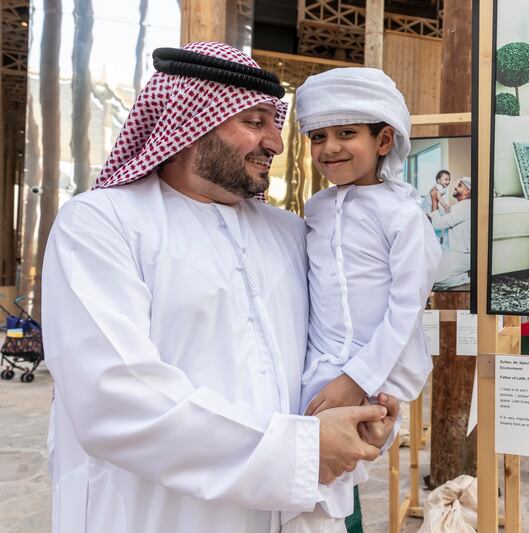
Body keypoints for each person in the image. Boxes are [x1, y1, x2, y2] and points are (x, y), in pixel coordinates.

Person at [41, 42, 399, 533]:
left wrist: (363, 411)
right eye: (254, 123)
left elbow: (341, 343)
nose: (275, 142)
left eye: (275, 124)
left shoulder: (292, 233)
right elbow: (113, 396)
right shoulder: (103, 224)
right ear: (190, 124)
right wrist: (303, 448)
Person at [289, 67, 441, 532]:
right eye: (318, 136)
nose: (329, 148)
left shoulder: (404, 216)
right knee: (306, 484)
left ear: (383, 139)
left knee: (327, 486)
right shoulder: (315, 209)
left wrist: (356, 379)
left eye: (346, 133)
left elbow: (405, 311)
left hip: (377, 372)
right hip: (318, 369)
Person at [430, 176, 471, 289]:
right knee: (426, 271)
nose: (455, 187)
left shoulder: (465, 206)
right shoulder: (459, 207)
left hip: (461, 254)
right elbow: (441, 223)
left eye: (459, 185)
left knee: (433, 279)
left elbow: (437, 225)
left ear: (467, 191)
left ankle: (466, 277)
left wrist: (434, 200)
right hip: (450, 251)